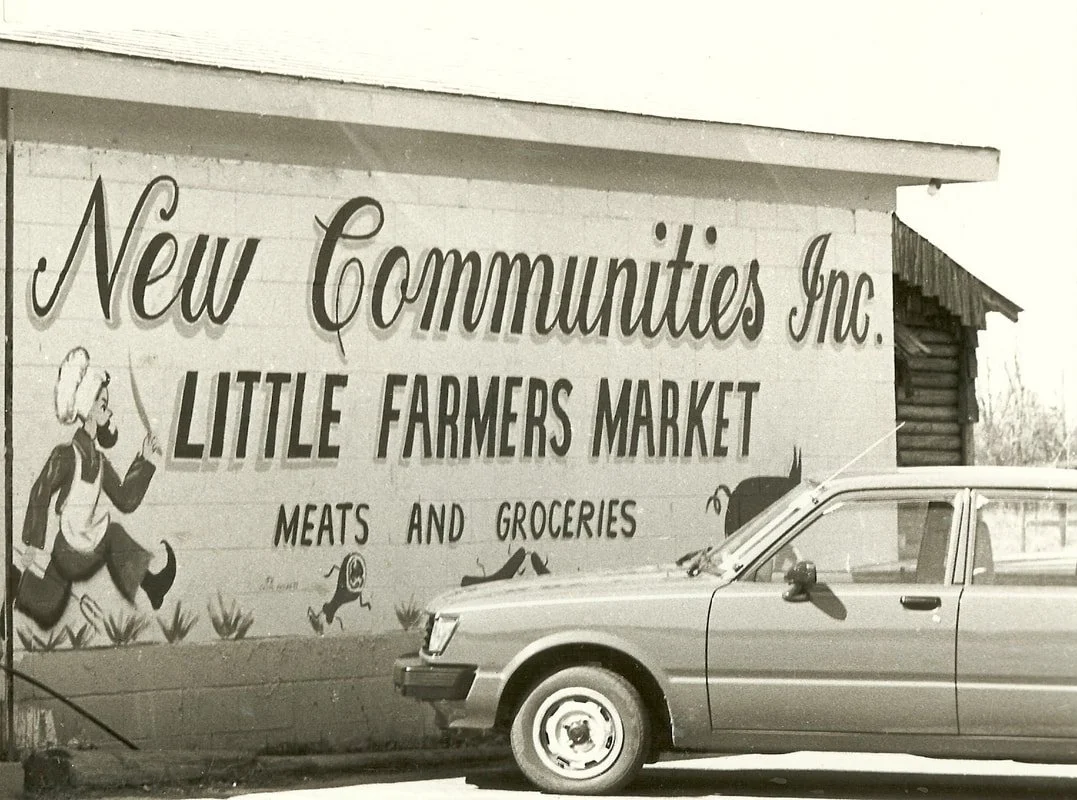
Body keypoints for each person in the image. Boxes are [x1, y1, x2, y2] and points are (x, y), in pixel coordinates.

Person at [13, 346, 176, 630]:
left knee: (48, 604)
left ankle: (13, 585)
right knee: (111, 538)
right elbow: (40, 490)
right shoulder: (66, 455)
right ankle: (151, 583)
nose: (109, 410)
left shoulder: (98, 460)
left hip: (80, 544)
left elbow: (125, 499)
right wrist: (31, 545)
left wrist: (145, 461)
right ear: (88, 409)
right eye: (103, 404)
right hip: (72, 546)